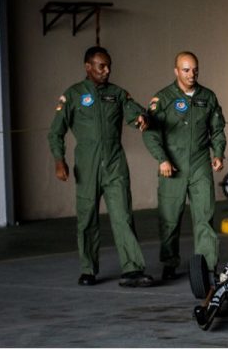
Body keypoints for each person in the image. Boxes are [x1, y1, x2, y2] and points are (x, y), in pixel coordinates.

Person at [48, 46, 154, 287]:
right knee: (87, 218)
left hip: (115, 164)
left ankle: (133, 269)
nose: (107, 71)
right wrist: (59, 160)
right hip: (88, 165)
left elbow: (135, 112)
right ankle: (88, 269)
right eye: (101, 66)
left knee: (123, 216)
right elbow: (55, 132)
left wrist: (141, 118)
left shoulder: (117, 94)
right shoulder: (73, 95)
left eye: (109, 66)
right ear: (88, 67)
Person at [143, 51, 226, 280]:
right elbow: (150, 133)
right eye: (186, 70)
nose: (191, 74)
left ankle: (208, 264)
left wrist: (218, 153)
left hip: (200, 164)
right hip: (172, 165)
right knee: (170, 218)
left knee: (204, 216)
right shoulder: (163, 98)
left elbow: (217, 129)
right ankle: (169, 262)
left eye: (195, 70)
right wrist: (162, 159)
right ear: (176, 71)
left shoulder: (207, 97)